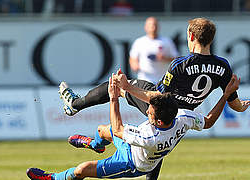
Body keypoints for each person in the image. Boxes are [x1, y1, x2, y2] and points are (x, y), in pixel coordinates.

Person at [58, 17, 250, 179]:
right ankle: (97, 143)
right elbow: (235, 104)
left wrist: (127, 88)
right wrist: (242, 106)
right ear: (211, 39)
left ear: (191, 36)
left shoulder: (181, 64)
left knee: (117, 86)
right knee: (158, 146)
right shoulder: (223, 67)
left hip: (164, 104)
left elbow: (157, 96)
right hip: (181, 116)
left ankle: (75, 105)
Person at [27, 73, 241, 180]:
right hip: (134, 146)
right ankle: (96, 144)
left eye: (149, 111)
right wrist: (224, 95)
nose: (147, 110)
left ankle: (52, 178)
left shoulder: (149, 136)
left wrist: (114, 98)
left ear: (157, 121)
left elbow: (119, 128)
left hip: (131, 162)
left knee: (82, 170)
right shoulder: (183, 116)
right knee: (102, 131)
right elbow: (209, 121)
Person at [129, 17, 178, 84]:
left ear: (158, 27)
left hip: (162, 80)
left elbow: (176, 59)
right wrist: (134, 65)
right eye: (150, 25)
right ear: (145, 27)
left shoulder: (167, 41)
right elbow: (133, 58)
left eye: (155, 25)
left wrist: (164, 58)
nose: (153, 27)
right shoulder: (139, 42)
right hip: (145, 79)